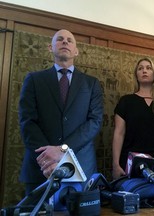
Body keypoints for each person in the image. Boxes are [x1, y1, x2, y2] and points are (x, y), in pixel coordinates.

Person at [18, 29, 103, 195]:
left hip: (81, 168)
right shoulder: (34, 80)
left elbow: (95, 122)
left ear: (76, 51)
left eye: (70, 40)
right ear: (50, 47)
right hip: (41, 167)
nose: (65, 42)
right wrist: (48, 156)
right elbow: (27, 121)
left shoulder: (91, 83)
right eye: (60, 39)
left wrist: (62, 150)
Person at [112, 57, 154, 180]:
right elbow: (119, 133)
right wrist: (116, 164)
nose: (144, 71)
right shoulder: (126, 101)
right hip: (130, 161)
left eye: (148, 68)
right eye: (140, 68)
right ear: (136, 75)